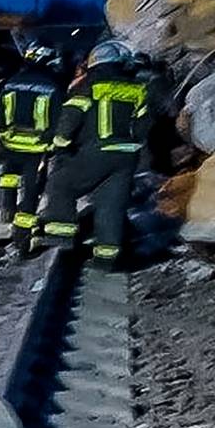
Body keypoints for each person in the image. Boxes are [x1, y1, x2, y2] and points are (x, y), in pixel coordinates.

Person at [40, 40, 153, 271]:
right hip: (127, 156)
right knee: (110, 205)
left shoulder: (87, 84)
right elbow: (143, 125)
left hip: (95, 150)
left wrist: (60, 144)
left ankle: (61, 237)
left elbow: (71, 117)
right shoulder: (136, 87)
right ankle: (106, 259)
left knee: (61, 184)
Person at [0, 43, 64, 257]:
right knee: (31, 191)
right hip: (37, 148)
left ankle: (6, 207)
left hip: (11, 143)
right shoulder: (52, 87)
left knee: (9, 177)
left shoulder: (10, 83)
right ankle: (22, 238)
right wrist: (53, 145)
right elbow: (57, 118)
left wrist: (3, 136)